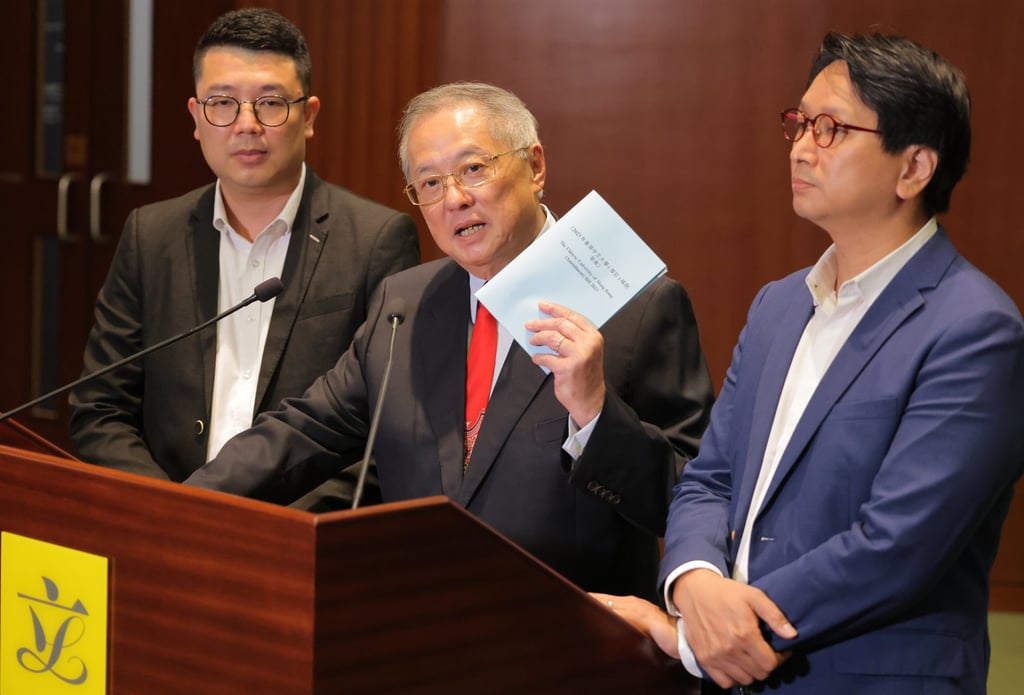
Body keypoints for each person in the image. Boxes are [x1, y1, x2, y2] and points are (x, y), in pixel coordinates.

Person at [603, 32, 1024, 693]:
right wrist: (692, 579)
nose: (801, 146)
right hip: (736, 675)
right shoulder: (778, 305)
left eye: (831, 129)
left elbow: (897, 547)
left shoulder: (976, 328)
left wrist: (707, 635)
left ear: (913, 168)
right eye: (799, 124)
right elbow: (711, 479)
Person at [184, 81, 715, 599]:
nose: (454, 199)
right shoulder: (405, 302)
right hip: (428, 632)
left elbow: (692, 494)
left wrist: (595, 415)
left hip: (569, 639)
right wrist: (178, 508)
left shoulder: (639, 308)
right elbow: (304, 432)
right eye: (430, 184)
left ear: (535, 167)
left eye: (474, 170)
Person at [68, 8, 420, 507]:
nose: (246, 125)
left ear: (310, 116)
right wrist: (171, 513)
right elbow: (99, 408)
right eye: (223, 103)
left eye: (271, 103)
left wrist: (272, 532)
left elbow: (392, 431)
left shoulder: (376, 240)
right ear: (195, 117)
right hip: (162, 522)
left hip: (296, 539)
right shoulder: (152, 234)